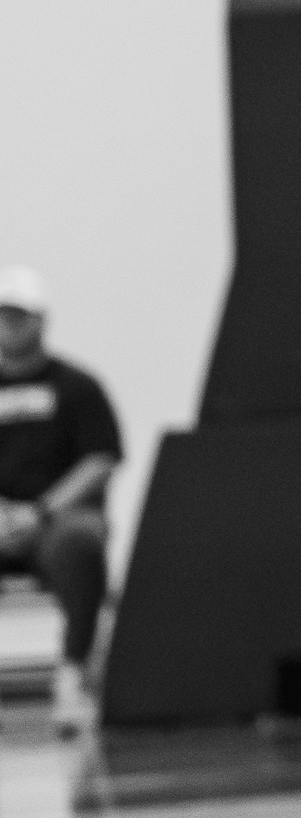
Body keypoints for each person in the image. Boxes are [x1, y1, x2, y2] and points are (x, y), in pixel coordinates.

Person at [0, 265, 121, 737]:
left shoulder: (77, 387)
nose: (10, 326)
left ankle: (72, 677)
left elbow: (101, 460)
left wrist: (40, 512)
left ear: (40, 321)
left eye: (19, 316)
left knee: (80, 542)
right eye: (4, 316)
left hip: (56, 521)